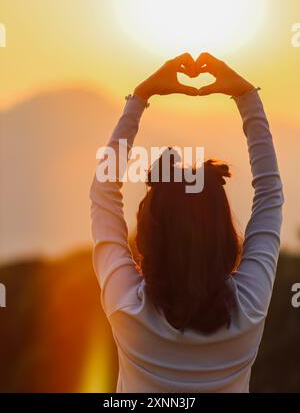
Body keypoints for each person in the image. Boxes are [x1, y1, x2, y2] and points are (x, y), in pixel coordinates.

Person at [89, 52, 284, 392]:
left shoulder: (127, 306)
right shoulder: (249, 308)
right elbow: (270, 194)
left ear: (149, 234)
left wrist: (141, 96)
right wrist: (246, 97)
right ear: (223, 234)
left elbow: (103, 192)